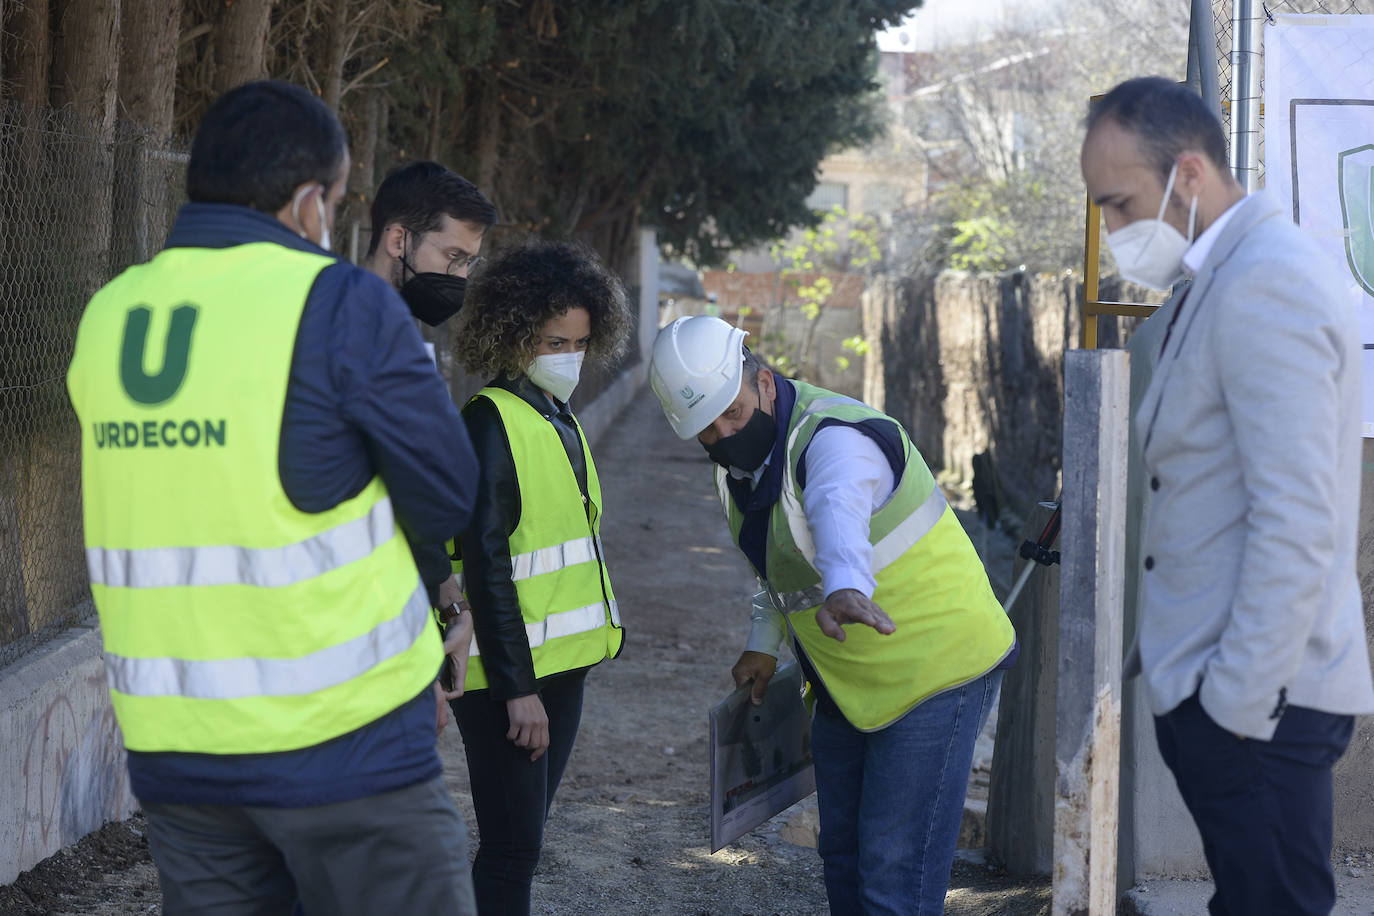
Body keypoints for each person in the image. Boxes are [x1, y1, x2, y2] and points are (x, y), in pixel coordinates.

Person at [65, 80, 480, 914]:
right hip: (344, 744)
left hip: (178, 752)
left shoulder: (109, 314)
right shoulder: (339, 302)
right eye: (332, 199)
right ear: (306, 204)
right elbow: (446, 497)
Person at [1082, 76, 1374, 915]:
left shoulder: (1266, 282)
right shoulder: (1219, 278)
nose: (1113, 231)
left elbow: (1299, 519)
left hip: (1261, 709)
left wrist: (1231, 707)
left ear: (1190, 173)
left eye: (1121, 204)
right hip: (1235, 703)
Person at [648, 316, 1016, 916]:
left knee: (895, 873)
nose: (722, 434)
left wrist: (845, 583)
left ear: (763, 382)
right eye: (705, 430)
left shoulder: (834, 437)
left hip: (935, 671)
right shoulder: (738, 473)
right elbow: (779, 568)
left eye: (733, 414)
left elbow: (836, 506)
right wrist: (762, 644)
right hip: (850, 686)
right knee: (843, 855)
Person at [448, 239, 631, 915]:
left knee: (516, 845)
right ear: (514, 333)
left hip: (561, 670)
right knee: (512, 852)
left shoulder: (558, 419)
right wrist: (518, 692)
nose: (570, 358)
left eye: (581, 343)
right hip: (506, 681)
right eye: (555, 341)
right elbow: (488, 567)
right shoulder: (490, 423)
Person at [361, 161, 498, 634]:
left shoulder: (404, 331)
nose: (459, 278)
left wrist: (449, 599)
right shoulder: (352, 335)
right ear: (398, 241)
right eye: (453, 257)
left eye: (469, 263)